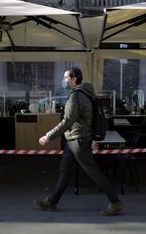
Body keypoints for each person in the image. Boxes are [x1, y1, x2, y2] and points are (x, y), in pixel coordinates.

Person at [35, 67, 123, 216]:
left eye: (66, 78)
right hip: (75, 140)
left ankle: (115, 202)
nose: (63, 81)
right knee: (64, 171)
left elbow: (67, 121)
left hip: (78, 141)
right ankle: (52, 202)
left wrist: (48, 136)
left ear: (74, 79)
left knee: (94, 172)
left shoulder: (76, 96)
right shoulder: (86, 93)